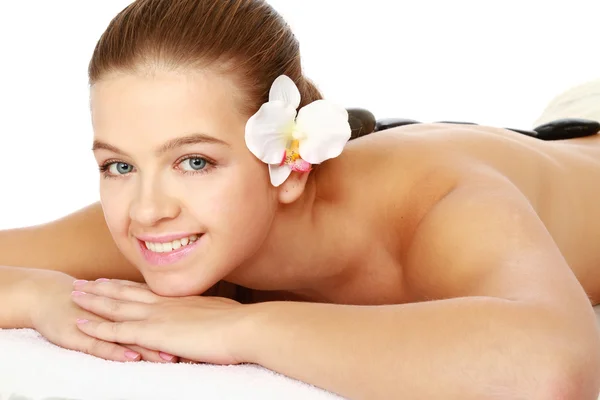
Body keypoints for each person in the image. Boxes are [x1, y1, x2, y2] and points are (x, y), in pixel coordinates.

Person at [0, 0, 599, 399]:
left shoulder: (437, 199)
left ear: (285, 168)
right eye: (120, 164)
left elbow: (557, 367)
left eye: (194, 161)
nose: (147, 210)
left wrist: (245, 329)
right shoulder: (165, 220)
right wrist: (39, 294)